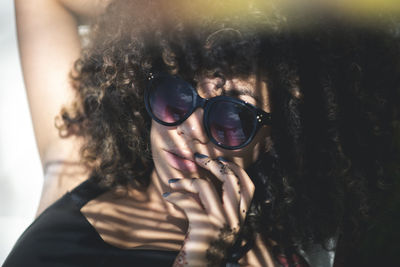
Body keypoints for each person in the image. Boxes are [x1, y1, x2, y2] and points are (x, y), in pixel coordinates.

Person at [5, 0, 400, 266]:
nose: (189, 130)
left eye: (231, 114)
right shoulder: (80, 162)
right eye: (176, 95)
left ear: (281, 135)